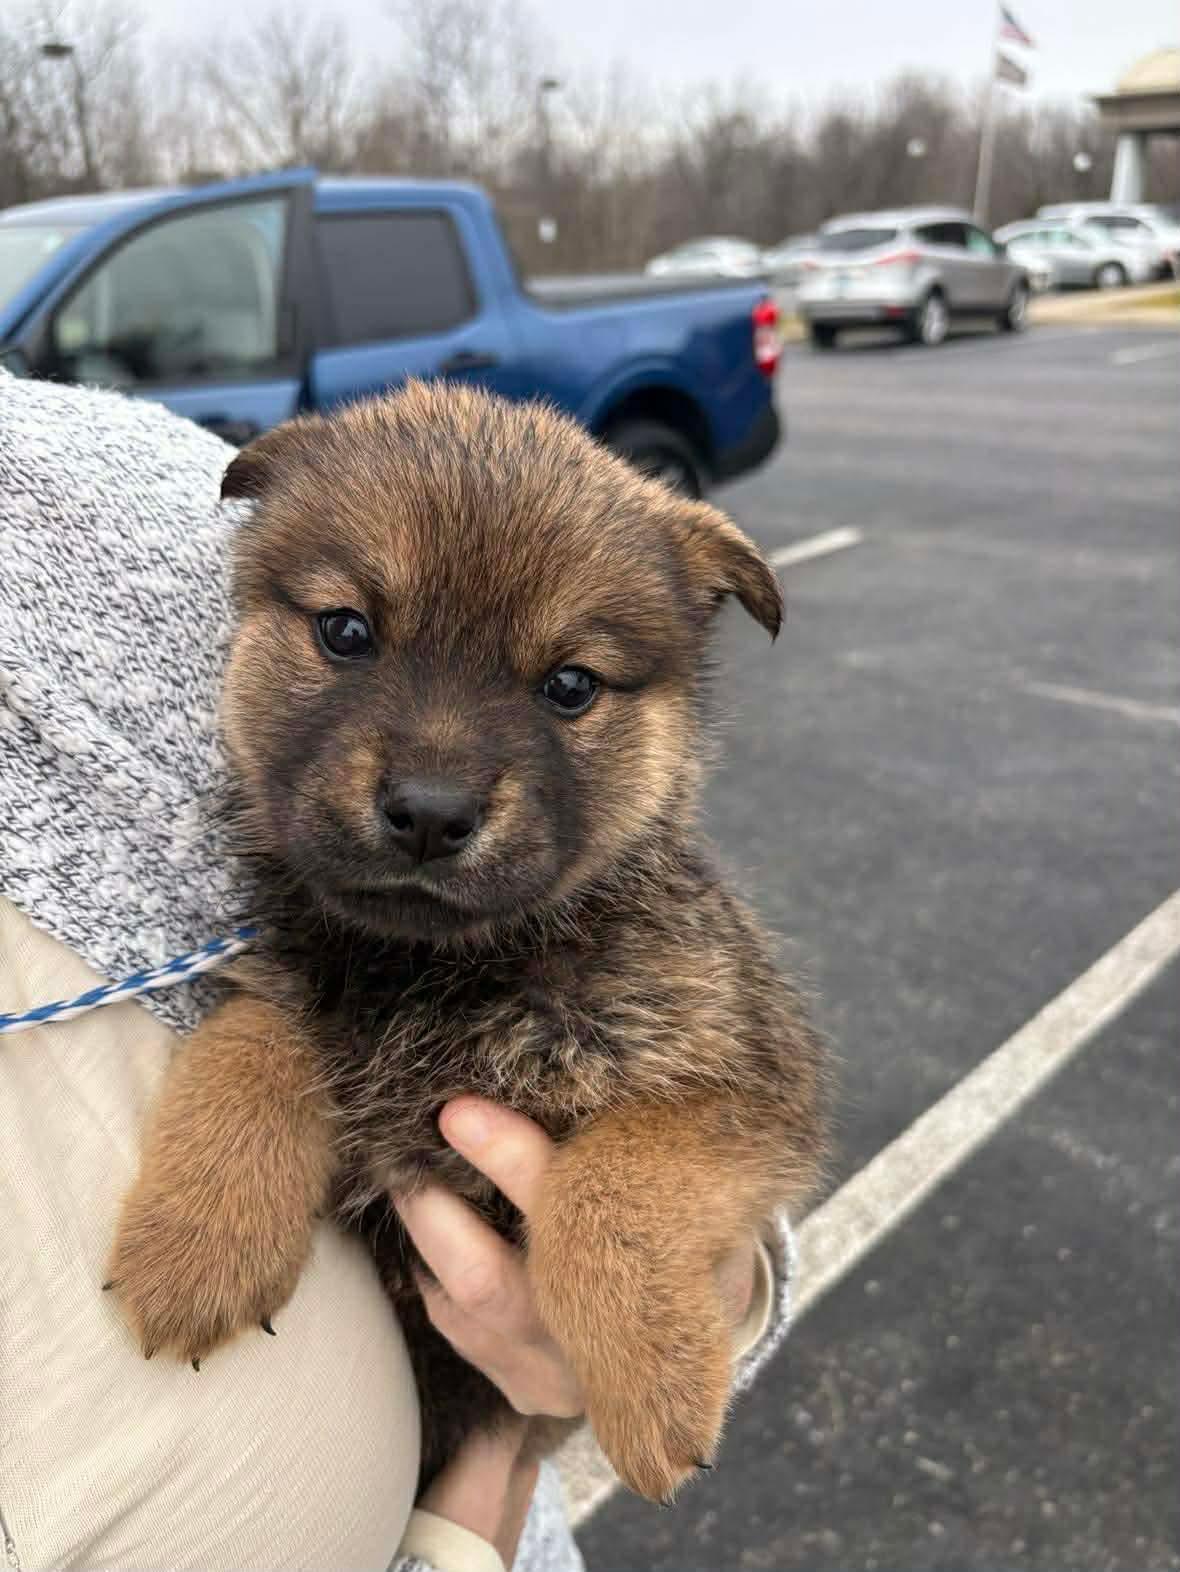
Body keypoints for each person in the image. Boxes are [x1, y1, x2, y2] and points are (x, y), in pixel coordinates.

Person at [0, 370, 796, 1572]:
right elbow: (286, 1007)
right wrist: (254, 1091)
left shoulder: (645, 935)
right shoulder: (286, 890)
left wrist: (644, 1260)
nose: (432, 785)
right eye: (349, 636)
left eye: (567, 686)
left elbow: (739, 1108)